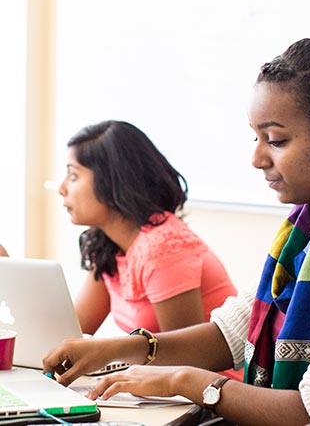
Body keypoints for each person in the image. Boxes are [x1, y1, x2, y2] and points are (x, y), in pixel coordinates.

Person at [43, 19, 310, 426]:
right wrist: (114, 351)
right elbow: (228, 334)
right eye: (257, 138)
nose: (258, 159)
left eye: (277, 140)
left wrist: (185, 381)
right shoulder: (307, 234)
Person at [57, 120, 239, 341]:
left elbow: (184, 361)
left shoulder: (164, 245)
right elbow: (71, 335)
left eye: (73, 175)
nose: (62, 188)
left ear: (112, 180)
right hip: (153, 373)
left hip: (205, 375)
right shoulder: (107, 244)